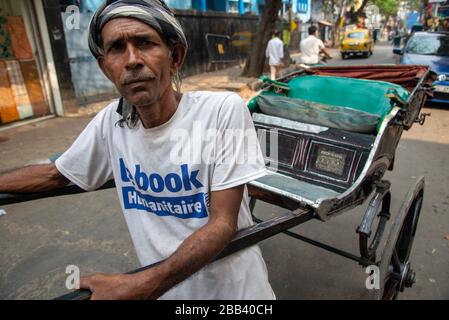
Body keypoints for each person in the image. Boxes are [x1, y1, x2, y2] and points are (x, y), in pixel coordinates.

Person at [0, 0, 275, 300]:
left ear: (175, 57)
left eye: (145, 43)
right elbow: (56, 174)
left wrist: (142, 284)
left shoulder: (221, 111)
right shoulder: (111, 122)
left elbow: (223, 223)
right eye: (117, 48)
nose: (132, 60)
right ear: (106, 68)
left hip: (236, 296)